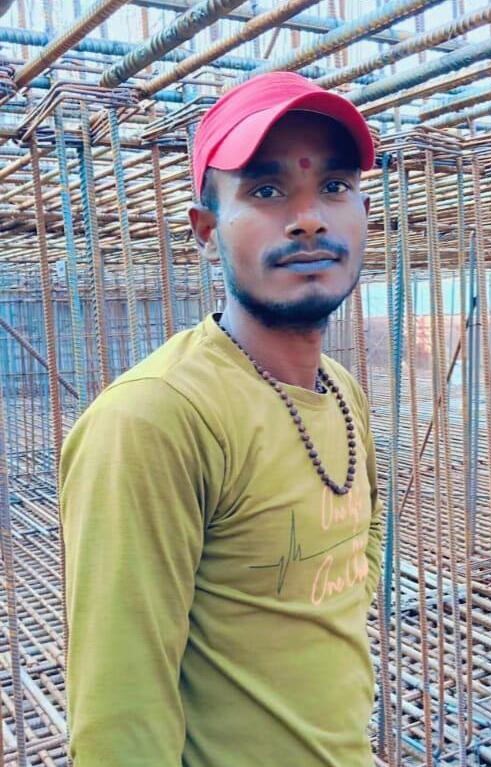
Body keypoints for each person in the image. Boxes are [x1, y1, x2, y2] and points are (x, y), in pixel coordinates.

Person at [60, 71, 383, 767]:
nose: (309, 218)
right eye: (265, 191)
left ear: (363, 213)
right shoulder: (154, 420)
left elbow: (362, 555)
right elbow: (120, 721)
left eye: (334, 186)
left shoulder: (343, 392)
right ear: (205, 231)